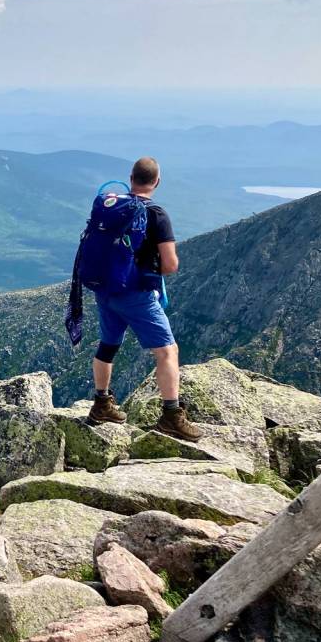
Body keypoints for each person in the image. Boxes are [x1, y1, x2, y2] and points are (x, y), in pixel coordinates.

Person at [85, 157, 202, 442]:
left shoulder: (115, 207)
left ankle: (102, 404)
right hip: (136, 295)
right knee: (167, 352)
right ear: (157, 181)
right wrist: (145, 269)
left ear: (131, 178)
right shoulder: (156, 214)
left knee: (108, 345)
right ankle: (172, 416)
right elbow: (171, 264)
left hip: (106, 290)